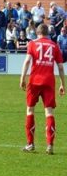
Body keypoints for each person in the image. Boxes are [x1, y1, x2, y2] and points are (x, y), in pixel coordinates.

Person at [19, 23, 66, 154]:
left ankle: (30, 144)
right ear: (47, 33)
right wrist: (63, 84)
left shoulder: (32, 44)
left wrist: (22, 78)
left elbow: (27, 61)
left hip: (34, 81)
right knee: (49, 112)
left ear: (37, 33)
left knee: (30, 110)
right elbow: (61, 67)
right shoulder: (54, 46)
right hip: (49, 82)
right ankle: (50, 145)